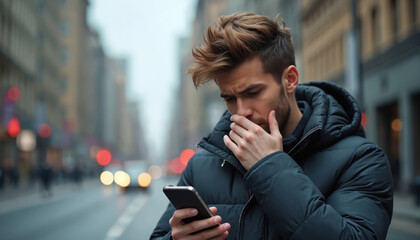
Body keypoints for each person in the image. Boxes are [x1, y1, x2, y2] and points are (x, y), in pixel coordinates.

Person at [150, 12, 393, 239]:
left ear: (290, 80)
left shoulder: (361, 159)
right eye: (230, 98)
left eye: (253, 92)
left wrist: (270, 167)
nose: (241, 111)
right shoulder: (201, 166)